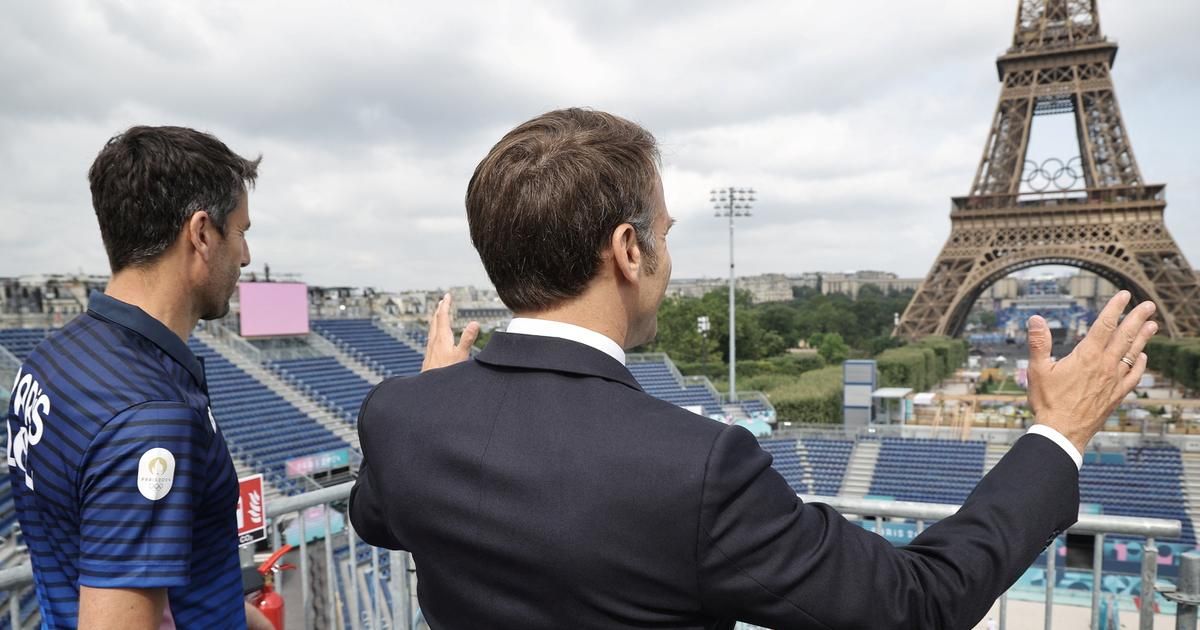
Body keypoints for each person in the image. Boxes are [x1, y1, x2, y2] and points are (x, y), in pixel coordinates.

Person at [348, 108, 1159, 629]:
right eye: (663, 231)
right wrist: (1057, 433)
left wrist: (433, 393)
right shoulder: (695, 466)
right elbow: (919, 604)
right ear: (630, 252)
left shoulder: (402, 416)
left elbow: (375, 517)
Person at [6, 126, 272, 629]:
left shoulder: (50, 360)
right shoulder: (150, 417)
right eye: (241, 232)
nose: (245, 256)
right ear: (201, 233)